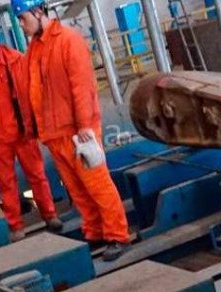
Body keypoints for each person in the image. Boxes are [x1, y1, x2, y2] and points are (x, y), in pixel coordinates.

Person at [12, 0, 132, 261]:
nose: (20, 25)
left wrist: (85, 125)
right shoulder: (33, 50)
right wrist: (35, 128)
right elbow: (32, 93)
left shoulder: (68, 40)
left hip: (78, 132)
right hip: (54, 134)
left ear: (38, 11)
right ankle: (95, 233)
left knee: (97, 184)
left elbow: (82, 86)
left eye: (22, 18)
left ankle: (117, 235)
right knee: (77, 189)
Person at [0, 13, 60, 240]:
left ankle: (50, 215)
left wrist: (38, 123)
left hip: (23, 132)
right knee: (6, 183)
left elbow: (33, 93)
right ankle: (16, 227)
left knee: (37, 175)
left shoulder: (16, 60)